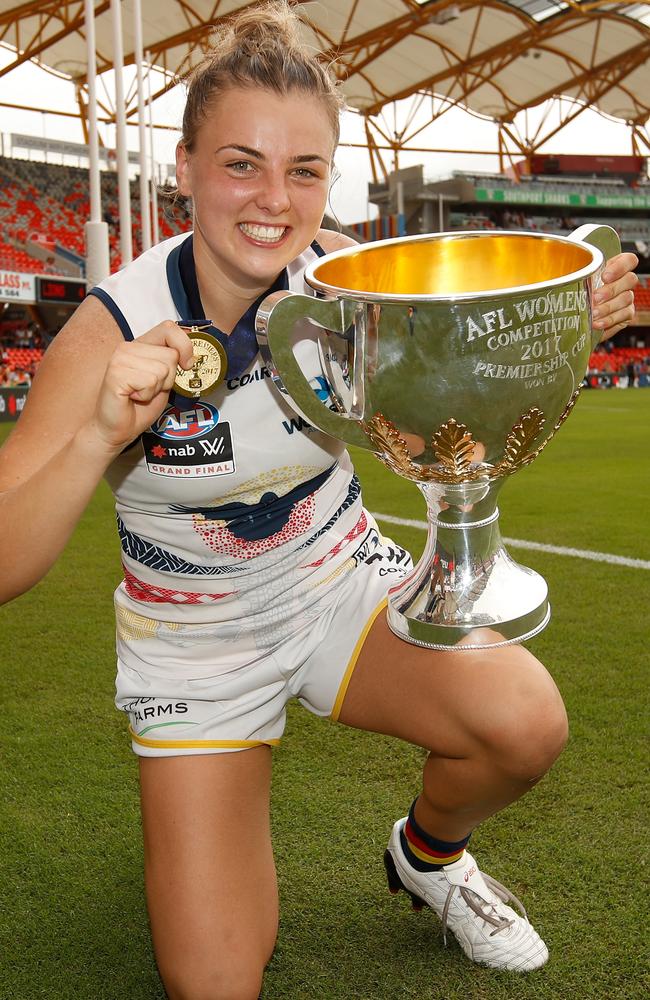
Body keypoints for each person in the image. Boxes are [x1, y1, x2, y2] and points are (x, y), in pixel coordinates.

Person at [0, 4, 639, 998]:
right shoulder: (109, 327)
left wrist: (559, 323)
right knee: (214, 978)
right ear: (184, 168)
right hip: (195, 640)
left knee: (525, 723)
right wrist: (97, 432)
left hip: (340, 583)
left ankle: (427, 859)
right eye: (241, 163)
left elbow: (456, 367)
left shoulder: (340, 277)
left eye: (303, 170)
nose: (273, 201)